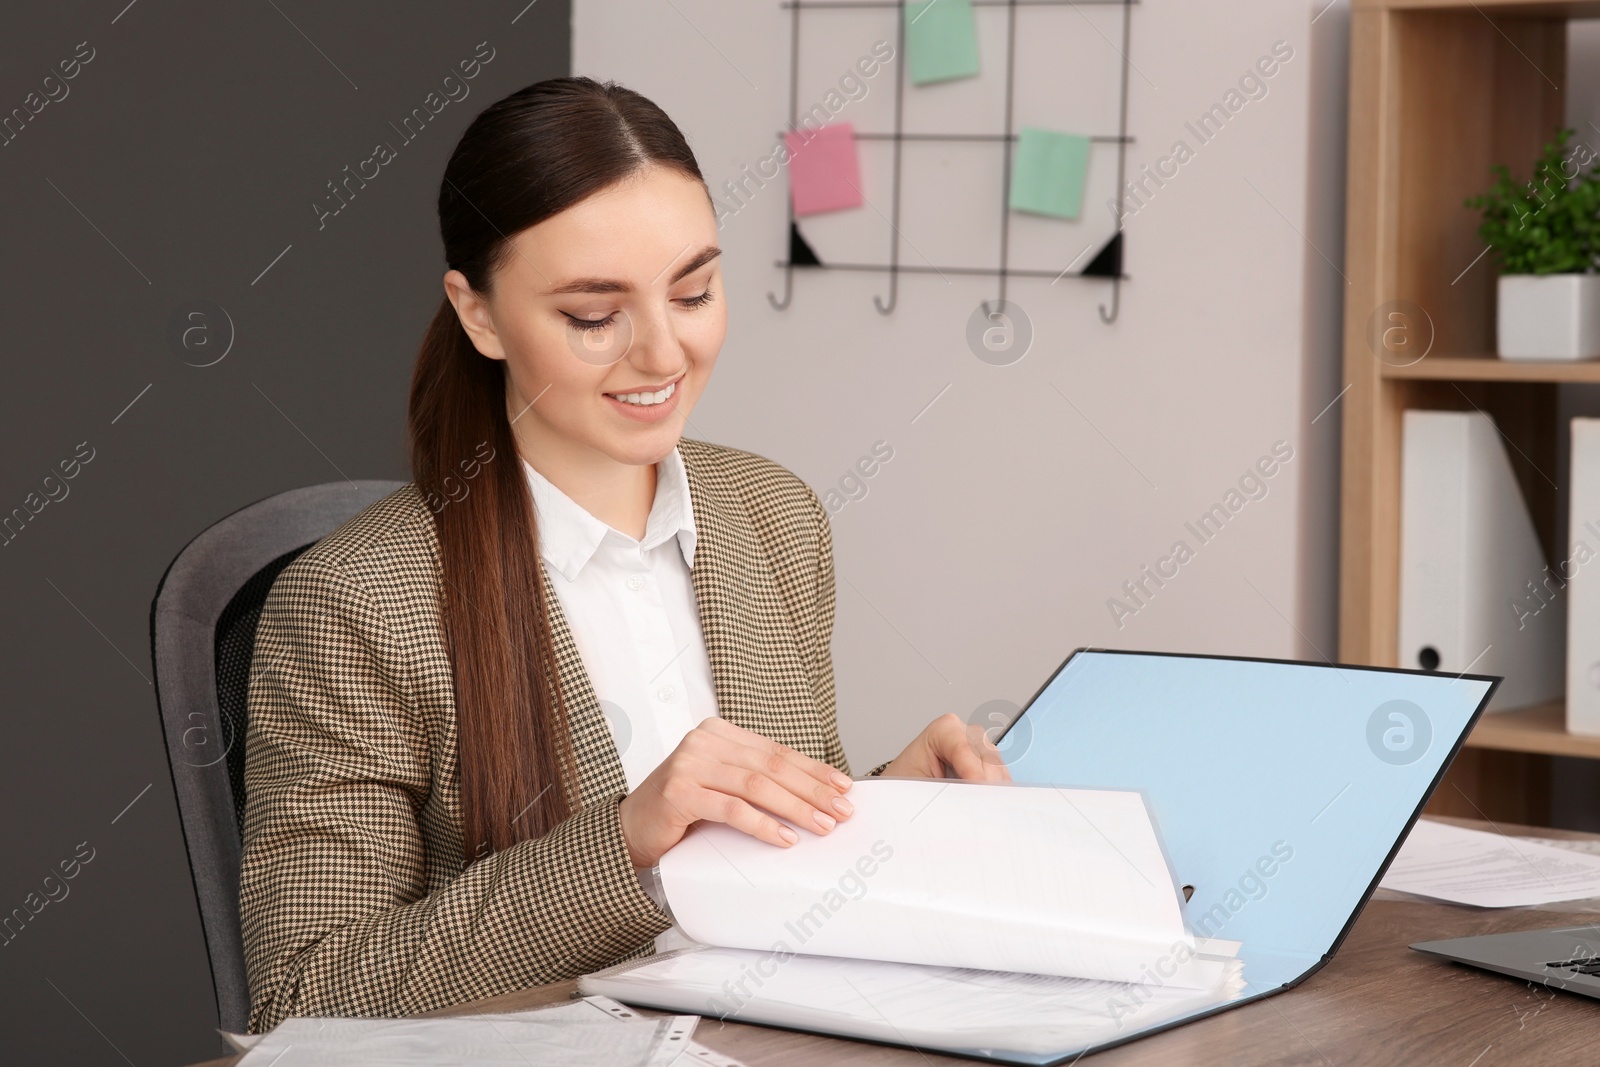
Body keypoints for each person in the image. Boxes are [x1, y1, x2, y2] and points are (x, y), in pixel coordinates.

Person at [239, 76, 1008, 1034]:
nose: (662, 354)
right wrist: (625, 844)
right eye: (594, 317)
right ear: (478, 315)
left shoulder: (775, 516)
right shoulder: (356, 602)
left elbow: (768, 877)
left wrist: (891, 804)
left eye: (693, 292)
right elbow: (306, 995)